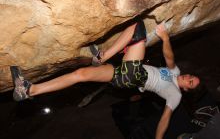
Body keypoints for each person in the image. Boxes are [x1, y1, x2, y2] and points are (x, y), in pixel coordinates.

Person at [10, 19, 200, 139]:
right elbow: (170, 59)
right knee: (80, 75)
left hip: (135, 77)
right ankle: (29, 90)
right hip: (122, 78)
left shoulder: (175, 95)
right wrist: (166, 40)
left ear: (186, 89)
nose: (188, 77)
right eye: (192, 76)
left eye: (190, 82)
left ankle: (101, 57)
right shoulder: (176, 73)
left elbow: (165, 119)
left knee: (137, 28)